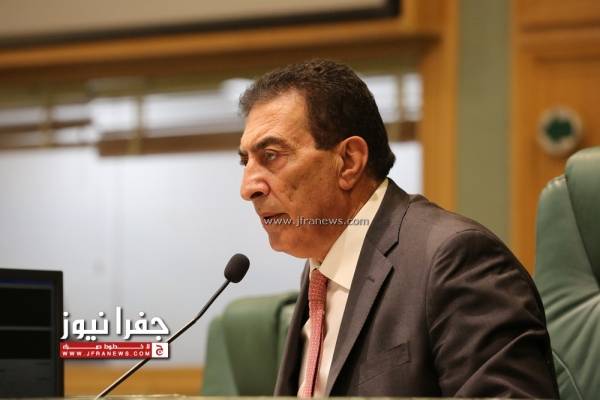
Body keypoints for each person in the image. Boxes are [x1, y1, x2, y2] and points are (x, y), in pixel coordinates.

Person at [237, 59, 558, 398]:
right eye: (246, 161)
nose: (247, 188)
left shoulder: (454, 260)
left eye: (271, 155)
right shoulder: (322, 272)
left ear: (349, 161)